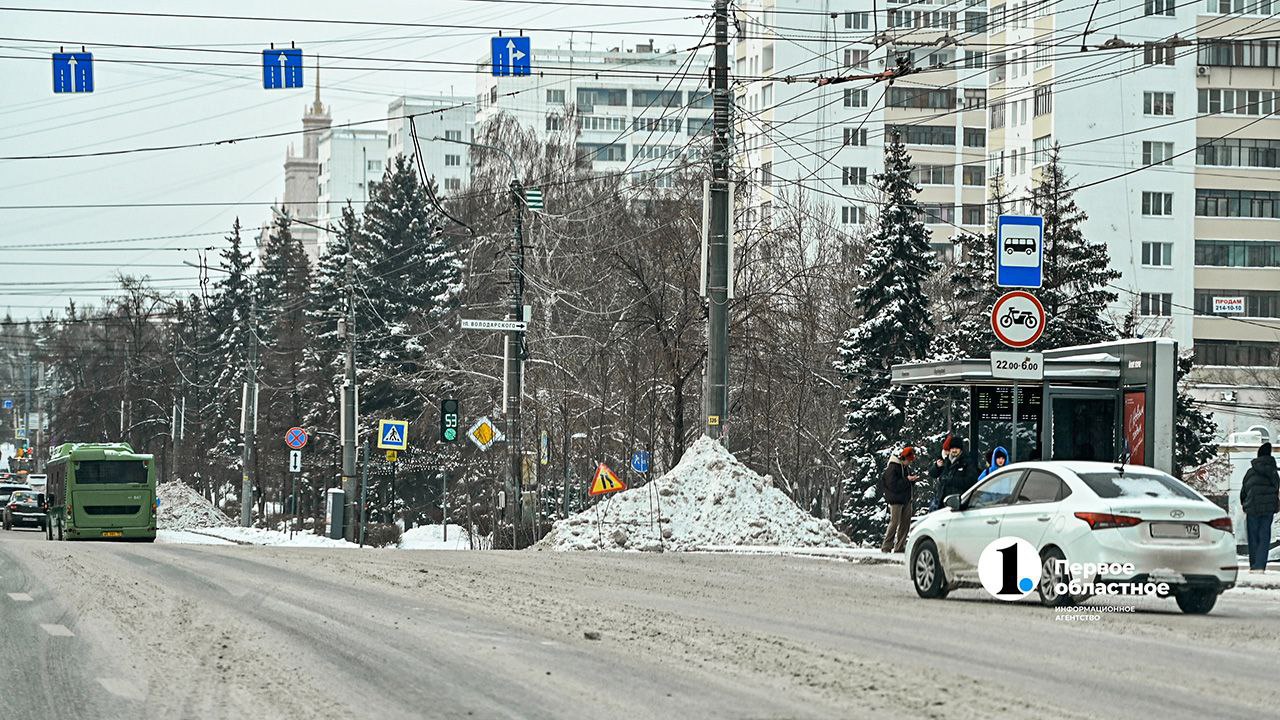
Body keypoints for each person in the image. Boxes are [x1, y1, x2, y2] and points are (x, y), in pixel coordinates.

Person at [1241, 442, 1279, 574]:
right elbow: (1276, 489)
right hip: (1268, 509)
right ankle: (1260, 566)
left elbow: (1243, 491)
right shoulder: (1273, 473)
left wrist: (1244, 504)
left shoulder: (1251, 472)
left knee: (1253, 537)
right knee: (1264, 536)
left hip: (1253, 507)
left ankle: (1254, 564)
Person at [880, 446, 921, 553]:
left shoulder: (906, 468)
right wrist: (907, 480)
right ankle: (887, 545)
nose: (909, 463)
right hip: (895, 499)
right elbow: (893, 485)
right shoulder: (893, 468)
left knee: (905, 523)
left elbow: (904, 483)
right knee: (894, 522)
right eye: (909, 461)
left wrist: (912, 480)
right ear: (903, 458)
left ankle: (900, 546)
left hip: (906, 498)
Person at [931, 435, 979, 510]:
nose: (954, 450)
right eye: (952, 448)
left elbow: (971, 481)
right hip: (943, 503)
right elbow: (932, 474)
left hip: (959, 503)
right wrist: (937, 466)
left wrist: (951, 481)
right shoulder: (946, 462)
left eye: (956, 448)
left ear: (961, 450)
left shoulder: (967, 462)